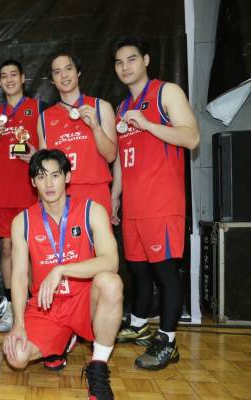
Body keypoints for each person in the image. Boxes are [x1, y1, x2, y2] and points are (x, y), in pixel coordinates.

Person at [3, 149, 122, 400]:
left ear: (67, 177)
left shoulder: (92, 210)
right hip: (47, 306)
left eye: (55, 175)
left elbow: (111, 261)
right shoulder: (22, 222)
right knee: (17, 357)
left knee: (110, 282)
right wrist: (18, 324)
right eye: (41, 176)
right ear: (33, 182)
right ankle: (62, 341)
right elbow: (20, 276)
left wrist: (62, 269)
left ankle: (98, 368)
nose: (48, 184)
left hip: (84, 301)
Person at [111, 36, 200, 370]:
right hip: (134, 205)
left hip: (162, 202)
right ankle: (138, 324)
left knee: (165, 271)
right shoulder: (122, 107)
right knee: (137, 268)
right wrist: (116, 194)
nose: (125, 67)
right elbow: (123, 156)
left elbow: (192, 137)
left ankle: (168, 341)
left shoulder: (167, 92)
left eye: (132, 59)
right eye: (119, 62)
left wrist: (149, 125)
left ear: (146, 60)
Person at [0, 59, 46, 333]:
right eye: (4, 75)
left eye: (14, 74)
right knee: (8, 248)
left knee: (33, 250)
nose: (9, 79)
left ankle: (33, 304)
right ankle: (12, 305)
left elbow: (48, 150)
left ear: (23, 78)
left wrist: (36, 154)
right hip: (2, 192)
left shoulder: (39, 108)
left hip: (29, 190)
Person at [38, 51, 117, 216]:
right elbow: (43, 167)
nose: (64, 75)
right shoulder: (44, 118)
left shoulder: (101, 107)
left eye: (68, 69)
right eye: (57, 72)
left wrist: (96, 127)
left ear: (78, 72)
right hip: (60, 196)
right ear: (52, 79)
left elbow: (111, 156)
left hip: (96, 193)